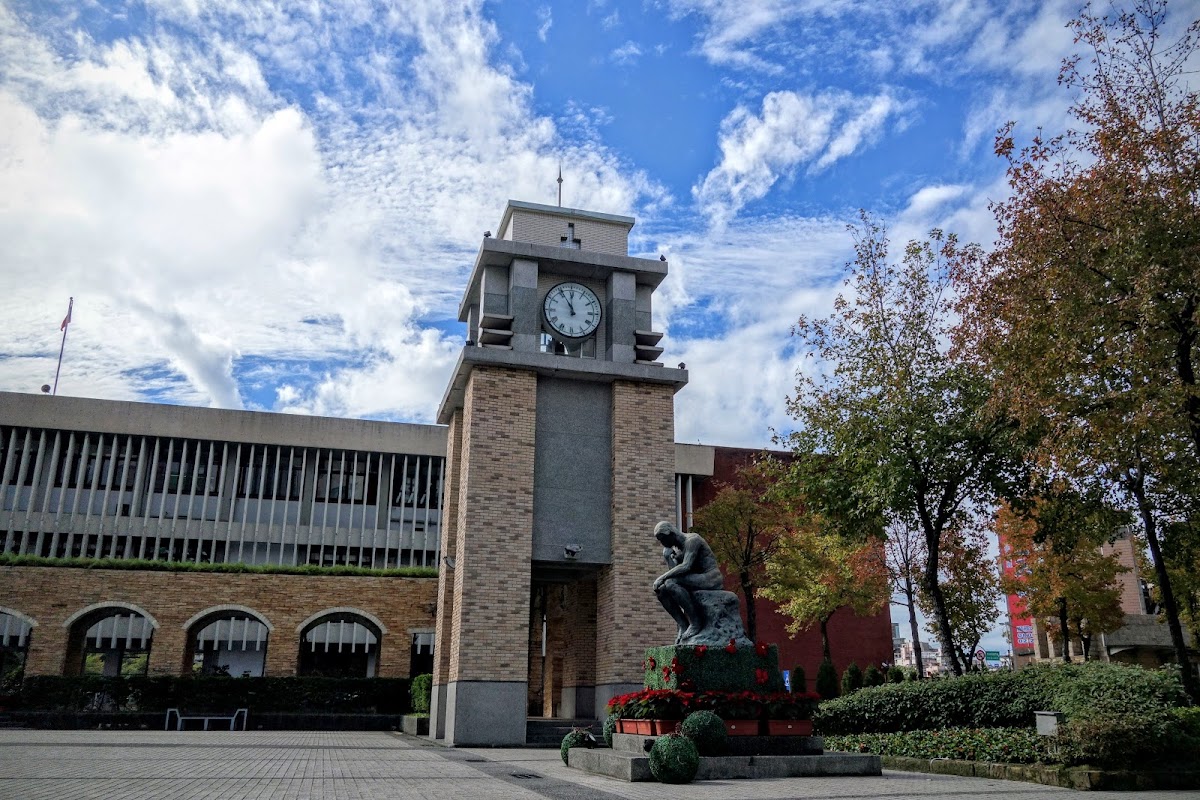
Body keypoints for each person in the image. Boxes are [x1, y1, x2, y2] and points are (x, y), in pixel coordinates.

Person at [652, 520, 724, 644]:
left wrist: (661, 577)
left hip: (709, 577)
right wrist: (669, 558)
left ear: (670, 533)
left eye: (663, 539)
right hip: (694, 578)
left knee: (670, 583)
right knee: (662, 590)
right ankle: (683, 625)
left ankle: (696, 622)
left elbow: (686, 567)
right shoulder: (674, 550)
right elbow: (675, 572)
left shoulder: (692, 540)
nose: (662, 543)